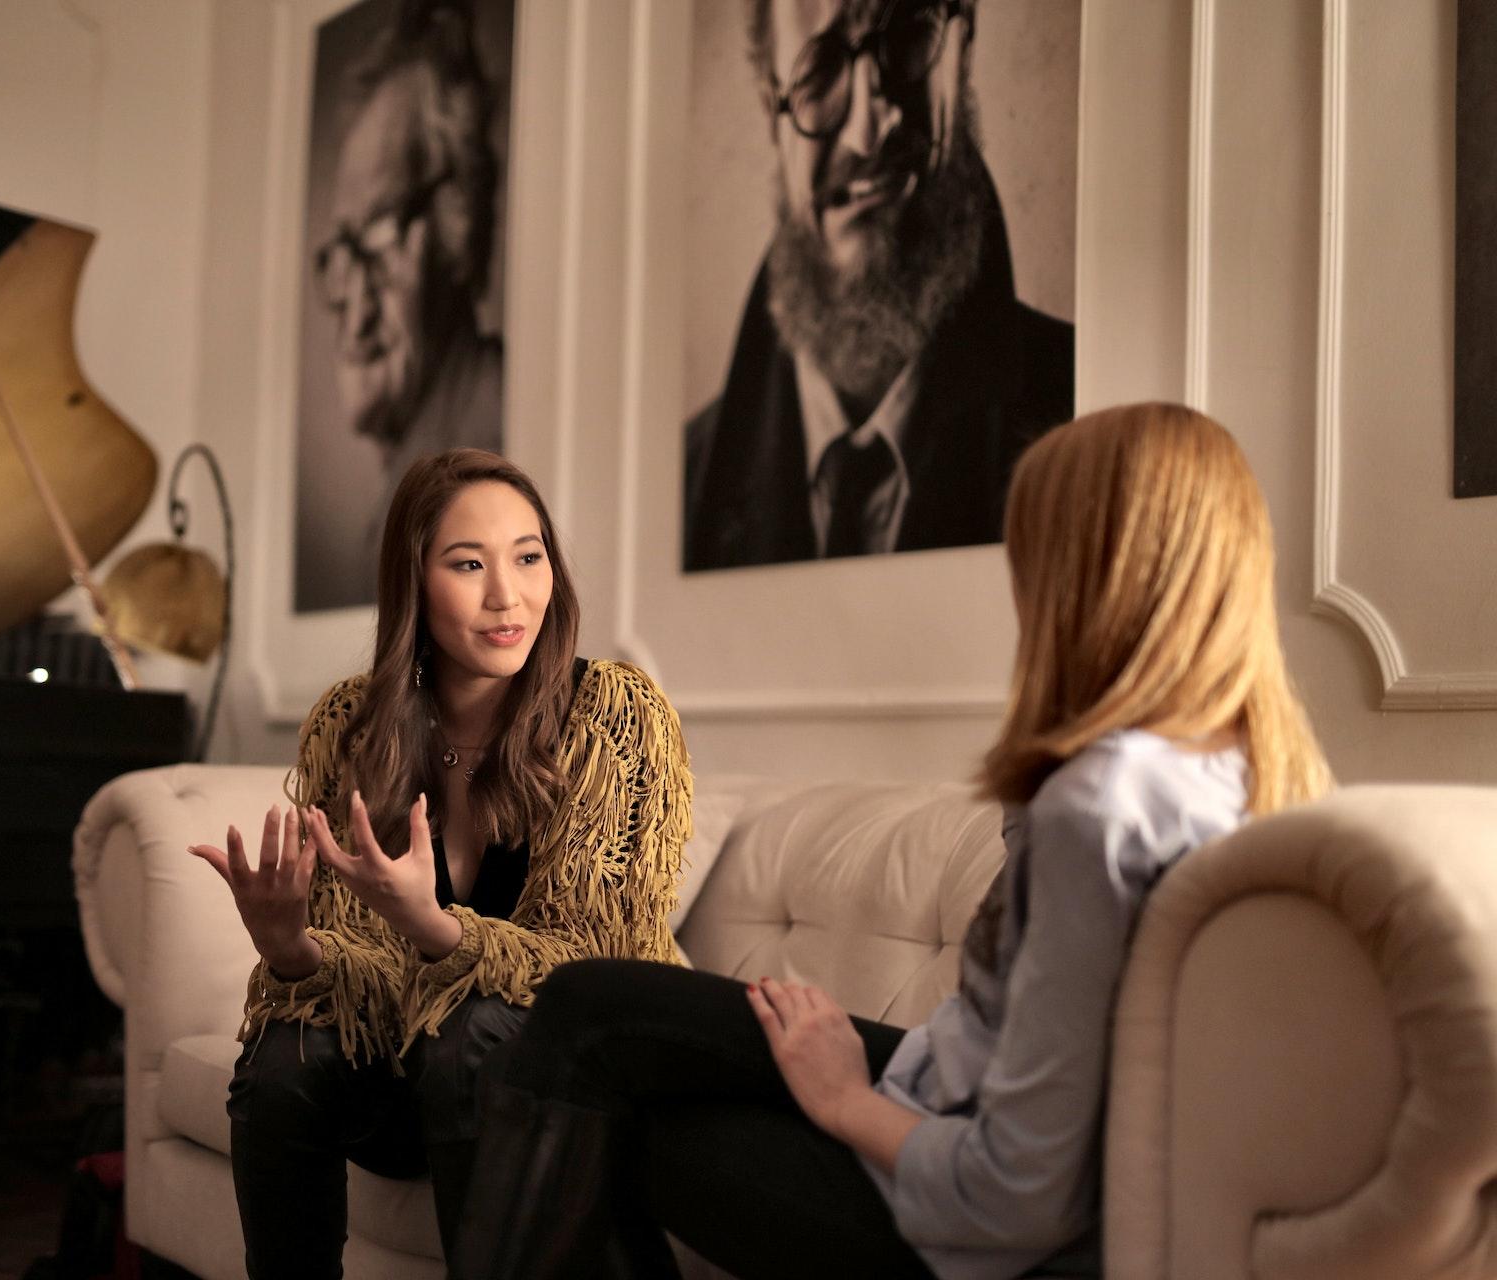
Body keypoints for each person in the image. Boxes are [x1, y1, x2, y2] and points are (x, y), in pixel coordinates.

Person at [456, 403, 1332, 1279]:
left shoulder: (1101, 807)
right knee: (586, 1005)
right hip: (950, 1088)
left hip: (968, 1234)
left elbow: (1015, 1197)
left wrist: (841, 1097)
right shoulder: (1260, 770)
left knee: (604, 1109)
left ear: (1084, 576)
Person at [192, 448, 693, 1278]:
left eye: (529, 557)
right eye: (469, 564)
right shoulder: (352, 726)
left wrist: (431, 924)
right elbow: (364, 991)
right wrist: (292, 949)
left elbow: (592, 965)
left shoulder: (614, 714)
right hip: (412, 1077)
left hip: (565, 1078)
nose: (509, 595)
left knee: (471, 1032)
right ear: (415, 583)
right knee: (287, 1052)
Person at [684, 0, 1074, 570]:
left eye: (910, 39)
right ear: (773, 109)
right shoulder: (685, 488)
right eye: (819, 74)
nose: (872, 130)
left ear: (963, 47)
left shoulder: (1084, 421)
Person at [300, 0, 507, 610]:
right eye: (344, 250)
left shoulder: (497, 436)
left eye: (383, 239)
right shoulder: (408, 487)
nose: (354, 315)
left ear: (459, 224)